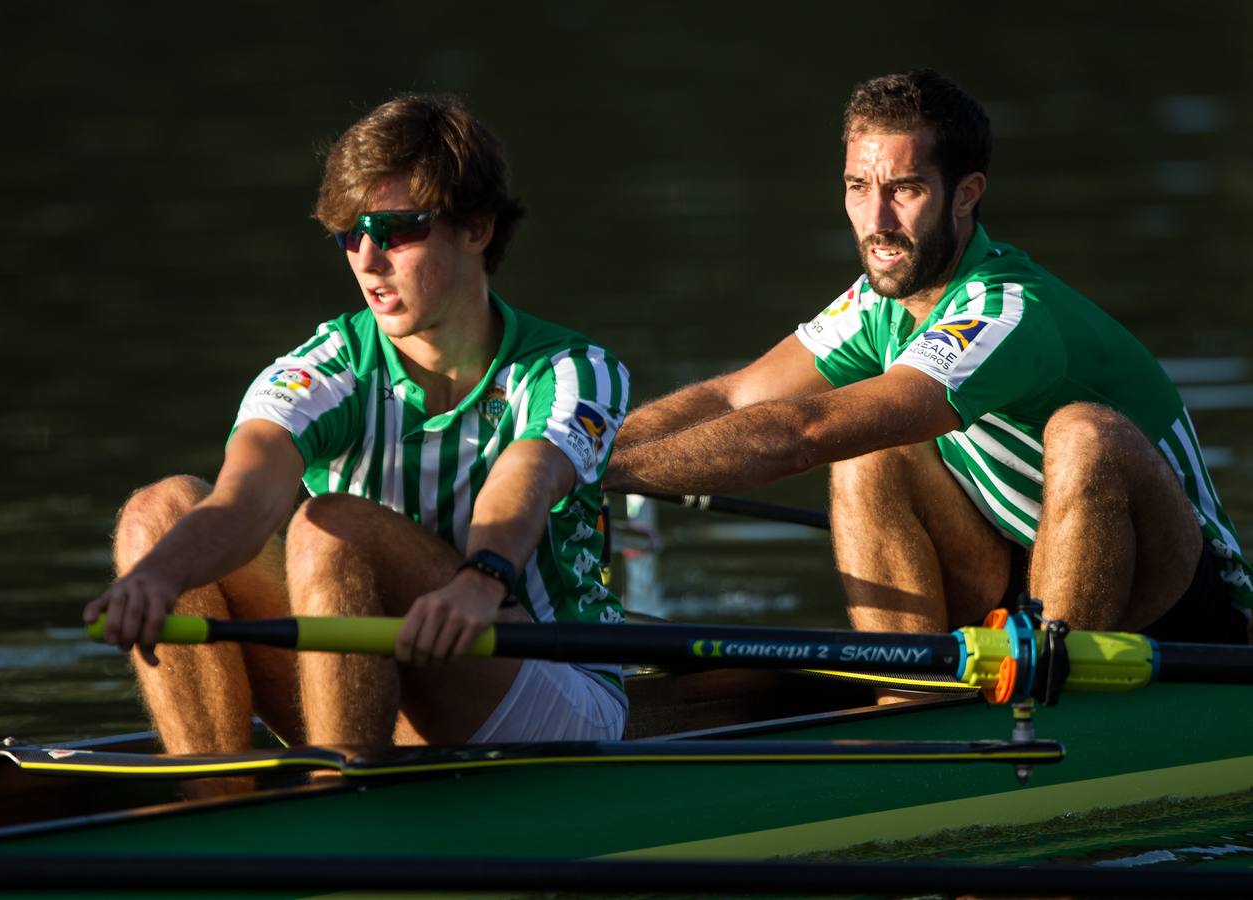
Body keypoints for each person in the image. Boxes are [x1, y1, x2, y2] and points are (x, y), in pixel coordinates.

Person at [605, 70, 1252, 643]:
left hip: (1183, 606)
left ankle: (1059, 714)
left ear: (966, 194)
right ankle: (908, 700)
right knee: (870, 452)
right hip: (1029, 573)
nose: (875, 219)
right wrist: (571, 454)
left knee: (1083, 434)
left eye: (905, 189)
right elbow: (733, 398)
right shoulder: (879, 301)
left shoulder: (1002, 311)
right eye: (859, 186)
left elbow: (802, 434)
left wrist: (587, 476)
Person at [83, 94, 630, 760]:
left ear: (477, 228)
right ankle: (213, 802)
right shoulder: (326, 370)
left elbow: (529, 473)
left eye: (396, 229)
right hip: (366, 676)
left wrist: (481, 578)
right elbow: (245, 501)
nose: (367, 260)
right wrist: (157, 577)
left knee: (329, 525)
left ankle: (340, 806)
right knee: (158, 515)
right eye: (349, 234)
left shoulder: (572, 369)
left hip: (546, 693)